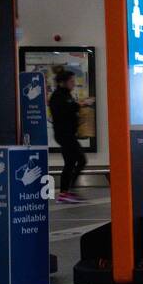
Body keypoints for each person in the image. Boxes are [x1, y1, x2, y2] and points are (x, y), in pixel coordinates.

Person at [48, 70, 92, 203]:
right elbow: (65, 110)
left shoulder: (66, 95)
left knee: (71, 162)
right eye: (71, 81)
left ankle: (65, 193)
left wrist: (78, 105)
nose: (74, 83)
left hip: (68, 134)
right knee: (80, 160)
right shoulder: (58, 96)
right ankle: (66, 192)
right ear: (63, 82)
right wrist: (80, 105)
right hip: (64, 135)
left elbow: (71, 108)